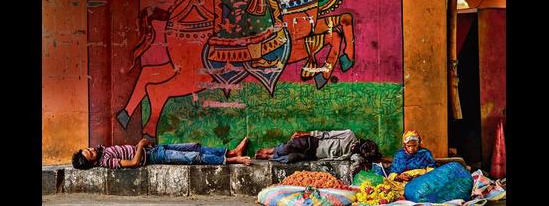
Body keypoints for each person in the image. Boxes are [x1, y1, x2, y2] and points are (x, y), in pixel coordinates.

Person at [72, 137, 251, 170]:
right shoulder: (106, 161)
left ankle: (231, 151)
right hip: (153, 156)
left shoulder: (102, 150)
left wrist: (145, 145)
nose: (92, 150)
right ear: (94, 163)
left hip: (154, 148)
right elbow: (134, 163)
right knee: (193, 158)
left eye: (88, 150)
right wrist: (141, 145)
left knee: (195, 147)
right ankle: (233, 160)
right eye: (91, 154)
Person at [255, 129, 367, 163]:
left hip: (313, 156)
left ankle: (271, 157)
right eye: (356, 146)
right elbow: (327, 134)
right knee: (288, 147)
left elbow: (358, 160)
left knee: (290, 158)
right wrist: (306, 134)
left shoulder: (354, 155)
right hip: (313, 142)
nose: (353, 149)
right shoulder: (349, 134)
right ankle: (270, 150)